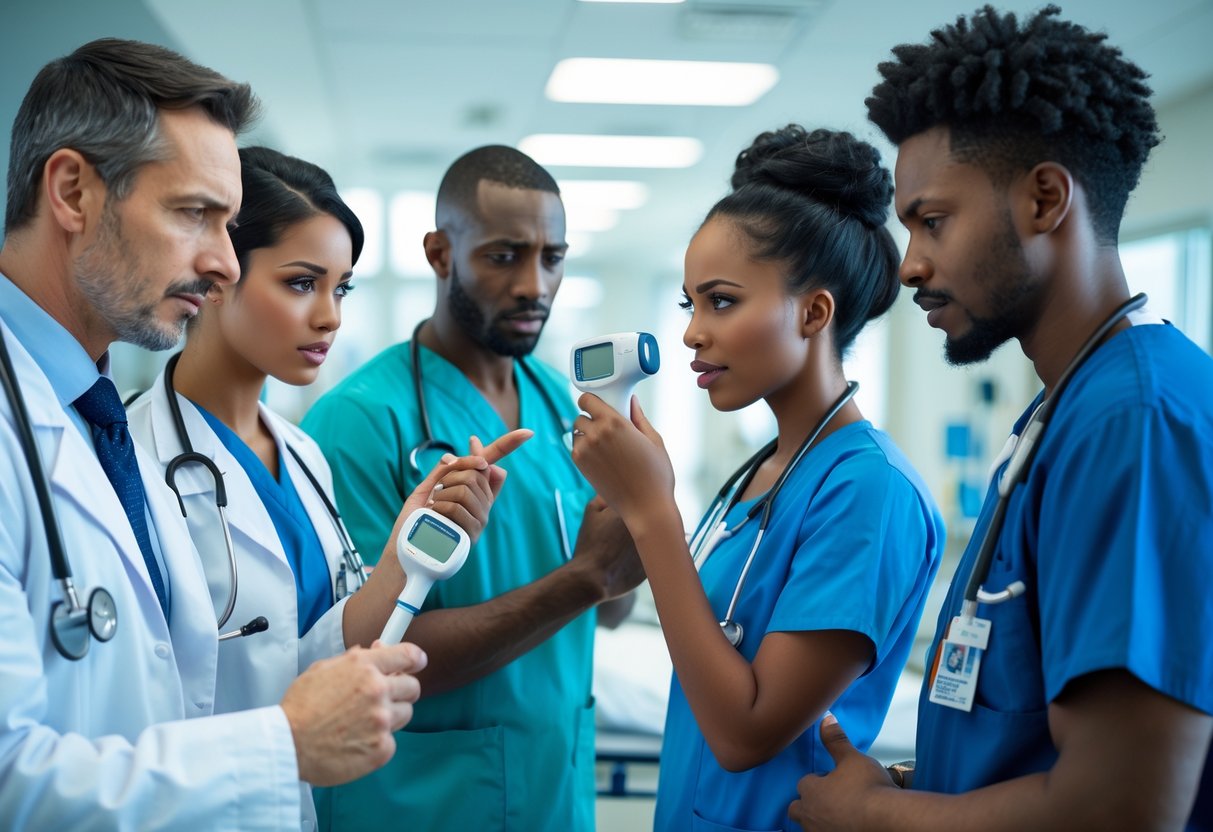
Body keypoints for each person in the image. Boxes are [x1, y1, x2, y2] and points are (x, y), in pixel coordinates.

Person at [789, 6, 1213, 831]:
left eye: (932, 221)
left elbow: (1121, 807)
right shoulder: (1066, 412)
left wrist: (872, 820)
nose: (909, 263)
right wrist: (924, 782)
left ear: (1045, 199)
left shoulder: (1133, 421)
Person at [0, 39, 427, 829]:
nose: (225, 264)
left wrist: (398, 572)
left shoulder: (88, 421)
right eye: (195, 213)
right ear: (71, 191)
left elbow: (193, 683)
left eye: (229, 226)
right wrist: (283, 745)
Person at [125, 145, 528, 827]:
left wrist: (401, 560)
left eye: (340, 288)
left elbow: (312, 652)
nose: (329, 317)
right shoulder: (130, 461)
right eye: (300, 283)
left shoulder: (304, 452)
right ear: (219, 273)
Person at [570, 125, 945, 832]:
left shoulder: (869, 492)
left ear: (813, 312)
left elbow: (744, 733)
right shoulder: (759, 473)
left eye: (720, 301)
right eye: (688, 304)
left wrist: (653, 514)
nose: (689, 333)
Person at [302, 144, 644, 831]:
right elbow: (365, 661)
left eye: (552, 257)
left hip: (552, 795)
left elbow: (605, 609)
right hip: (418, 802)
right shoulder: (359, 421)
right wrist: (585, 576)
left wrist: (635, 532)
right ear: (439, 254)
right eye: (503, 255)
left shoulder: (566, 409)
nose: (534, 284)